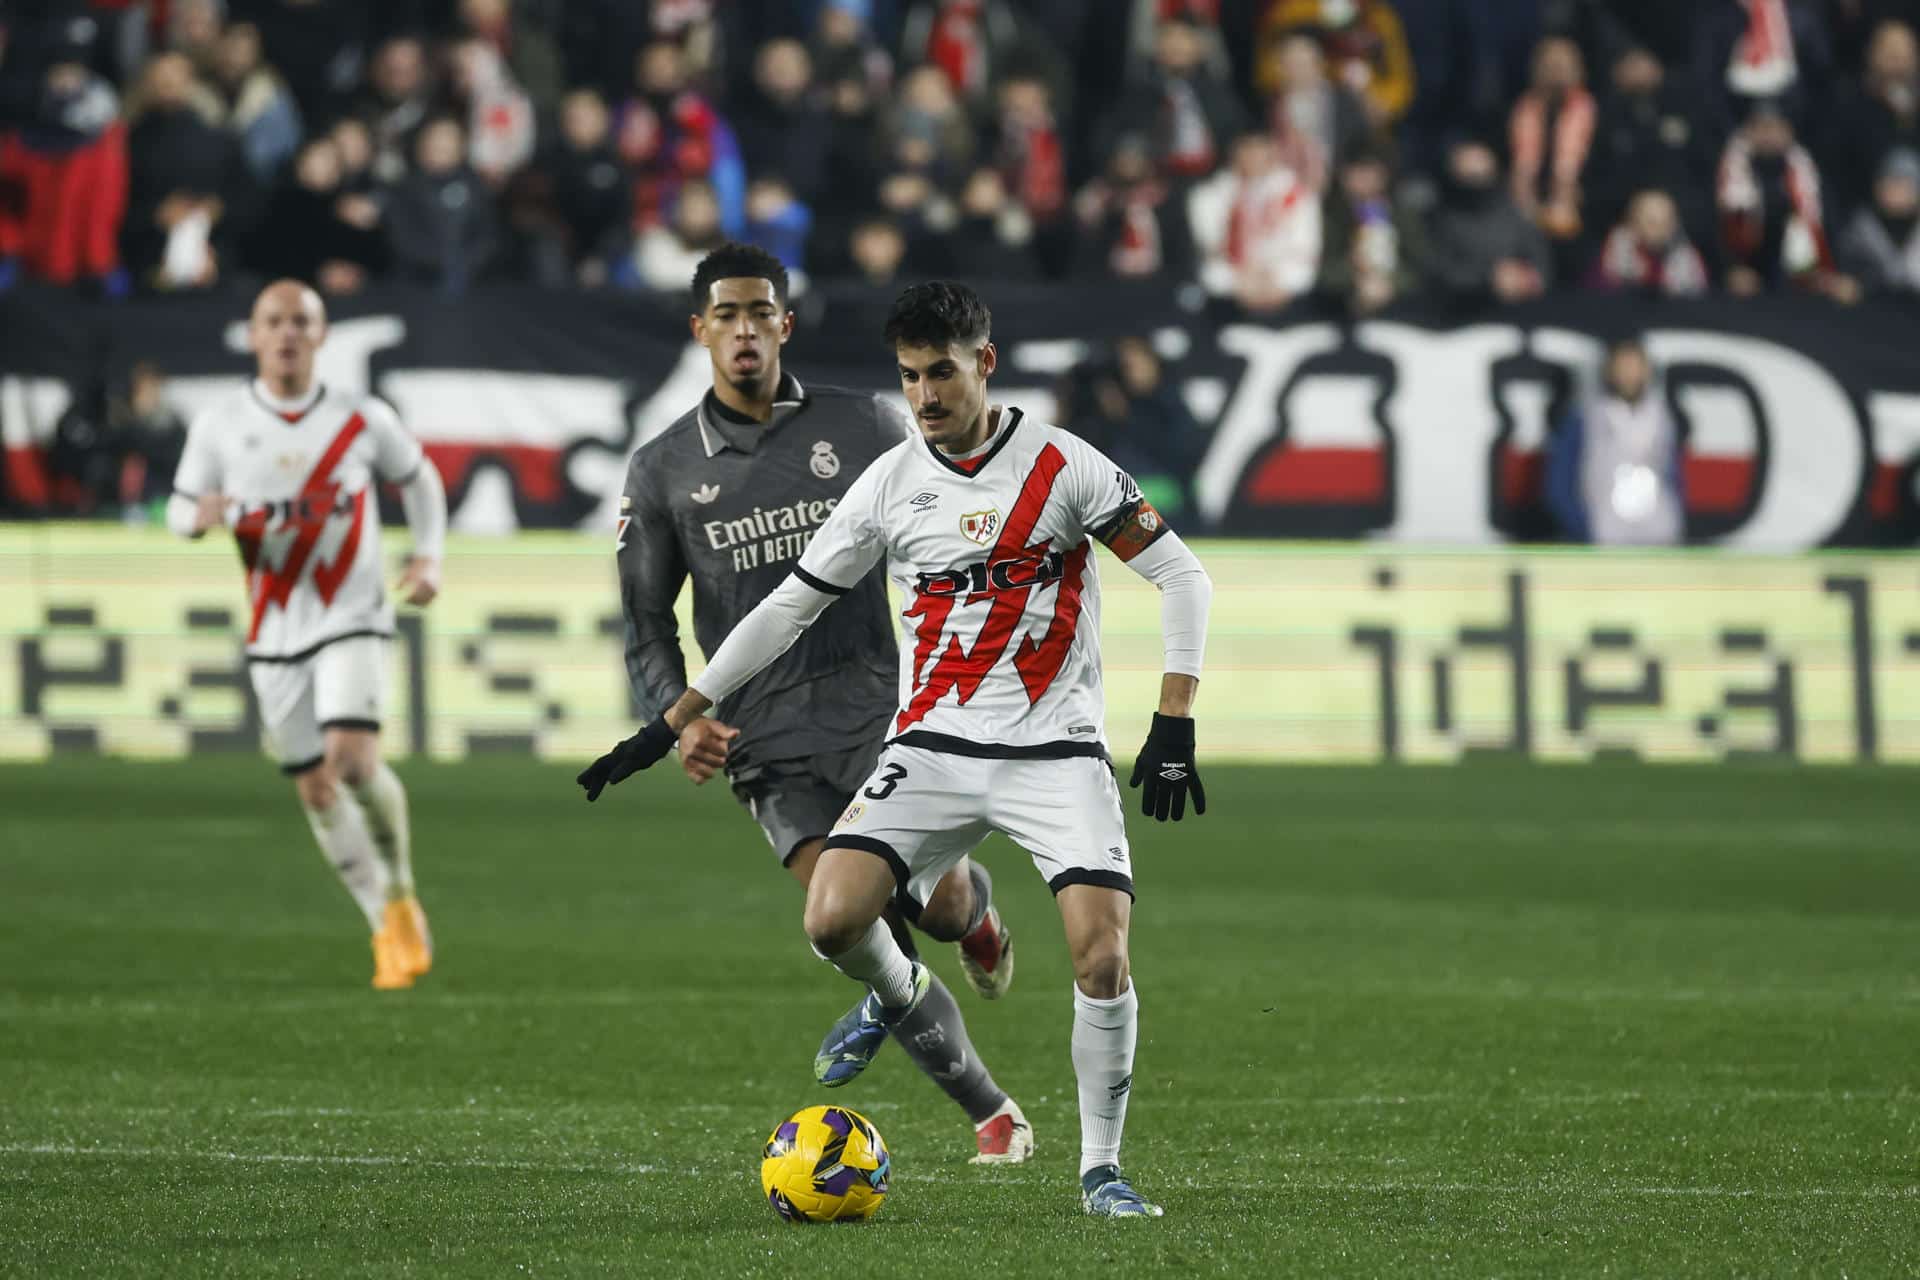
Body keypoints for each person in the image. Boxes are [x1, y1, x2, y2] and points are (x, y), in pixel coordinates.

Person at [578, 280, 1215, 1218]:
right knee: (830, 921)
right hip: (931, 749)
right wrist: (670, 718)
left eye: (942, 374)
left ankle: (1101, 1172)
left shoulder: (1065, 468)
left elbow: (1183, 577)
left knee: (1101, 960)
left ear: (984, 364)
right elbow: (791, 606)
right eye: (910, 377)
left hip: (1054, 751)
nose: (924, 397)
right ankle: (893, 990)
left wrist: (1173, 722)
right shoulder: (891, 482)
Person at [581, 246, 1032, 1165]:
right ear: (699, 330)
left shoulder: (866, 421)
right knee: (850, 927)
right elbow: (644, 621)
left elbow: (955, 493)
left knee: (936, 907)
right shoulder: (662, 468)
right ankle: (993, 1113)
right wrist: (679, 715)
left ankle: (976, 915)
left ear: (785, 325)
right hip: (766, 744)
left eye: (760, 313)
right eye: (725, 315)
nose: (743, 330)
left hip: (882, 712)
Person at [163, 280, 446, 990]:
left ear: (321, 336)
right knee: (317, 790)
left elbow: (420, 480)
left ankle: (403, 888)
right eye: (274, 322)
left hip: (351, 614)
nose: (287, 334)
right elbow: (176, 506)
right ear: (253, 335)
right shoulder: (222, 423)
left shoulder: (359, 417)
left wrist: (428, 554)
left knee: (350, 759)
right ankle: (382, 920)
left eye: (301, 322)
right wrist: (197, 519)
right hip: (274, 628)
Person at [1546, 337, 1685, 546]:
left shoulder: (1662, 417)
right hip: (1604, 535)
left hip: (1658, 535)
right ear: (1609, 370)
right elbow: (1559, 480)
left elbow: (1674, 476)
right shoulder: (1586, 416)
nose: (1629, 374)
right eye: (1623, 367)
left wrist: (1674, 521)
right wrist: (1583, 528)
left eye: (1635, 366)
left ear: (1647, 370)